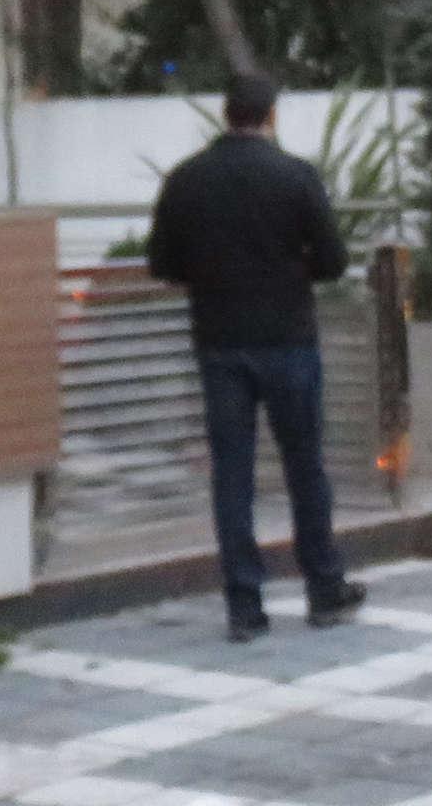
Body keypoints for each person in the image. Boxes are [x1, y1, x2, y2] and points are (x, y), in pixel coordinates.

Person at [145, 76, 365, 645]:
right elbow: (334, 261)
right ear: (270, 116)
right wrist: (291, 271)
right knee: (305, 467)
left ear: (226, 114)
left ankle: (245, 606)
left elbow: (162, 263)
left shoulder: (187, 180)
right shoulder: (294, 176)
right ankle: (323, 589)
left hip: (219, 343)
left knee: (233, 476)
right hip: (288, 338)